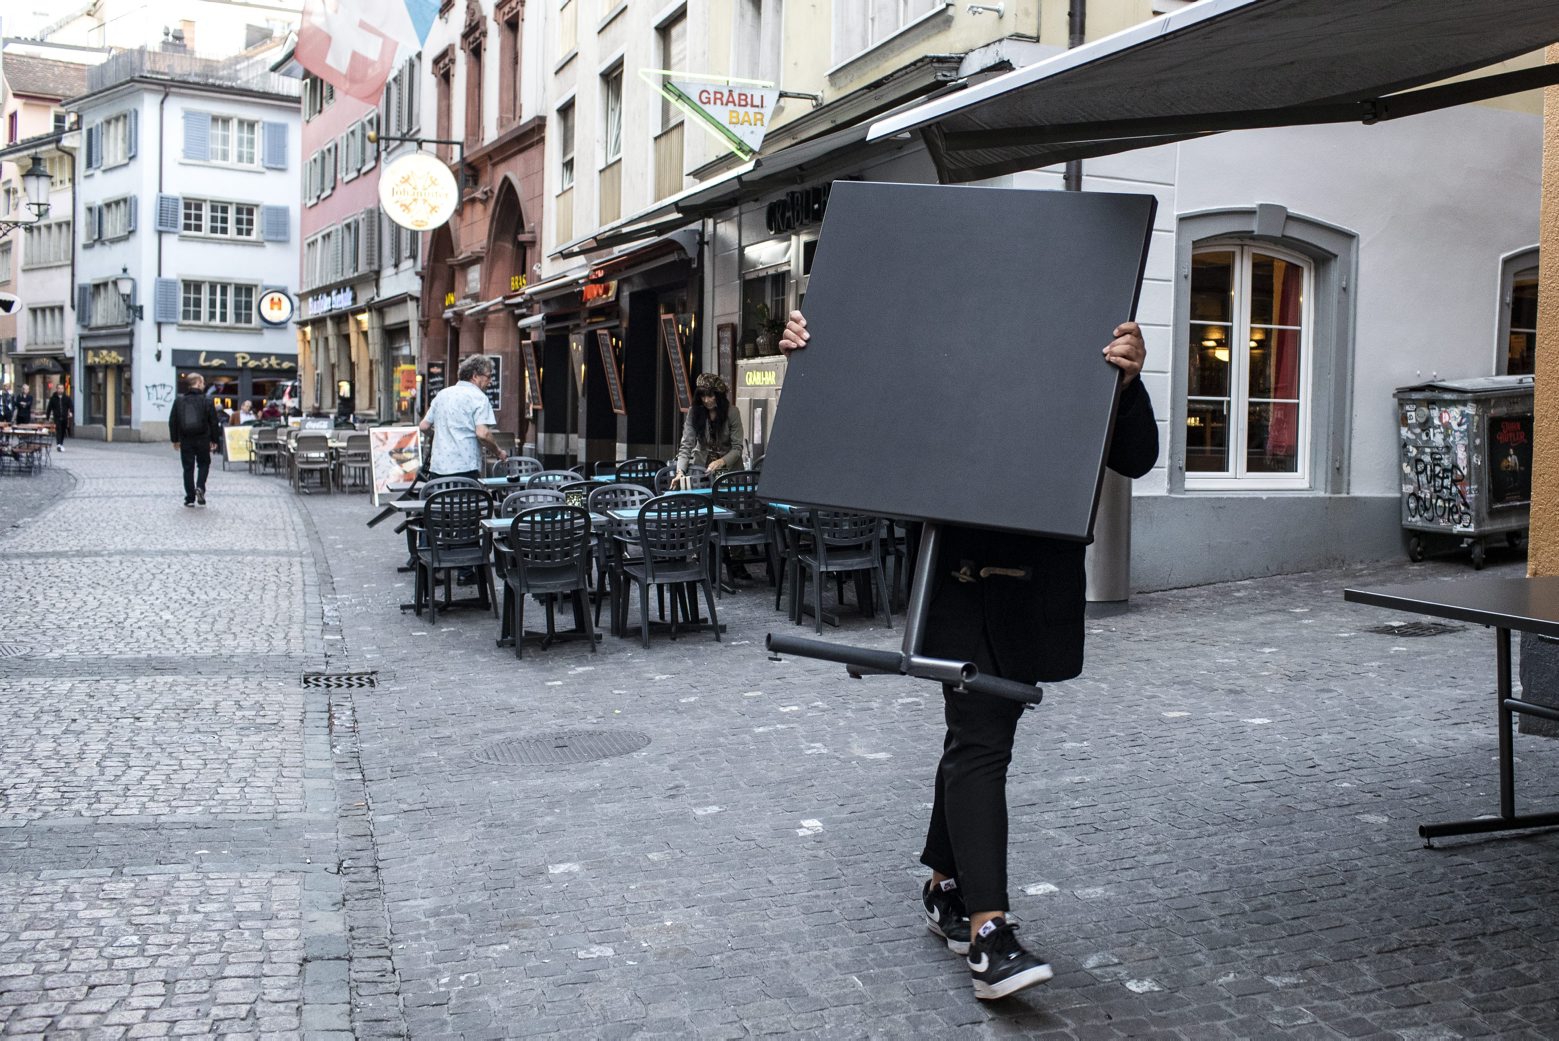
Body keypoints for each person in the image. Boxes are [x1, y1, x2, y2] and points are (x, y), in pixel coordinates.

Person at [780, 309, 1158, 1001]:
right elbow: (857, 426)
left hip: (1032, 579)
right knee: (981, 739)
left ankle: (944, 885)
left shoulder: (1080, 334)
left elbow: (1134, 457)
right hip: (953, 574)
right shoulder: (936, 331)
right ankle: (989, 933)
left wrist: (1129, 383)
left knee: (980, 736)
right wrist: (815, 357)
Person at [418, 354, 508, 583]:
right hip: (464, 468)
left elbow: (424, 425)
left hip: (438, 469)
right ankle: (466, 572)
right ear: (476, 376)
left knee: (437, 514)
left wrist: (440, 437)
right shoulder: (477, 398)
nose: (489, 382)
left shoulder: (443, 394)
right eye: (488, 377)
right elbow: (482, 433)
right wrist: (498, 451)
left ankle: (430, 565)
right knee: (467, 516)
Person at [673, 373, 744, 486]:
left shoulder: (732, 412)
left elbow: (737, 448)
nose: (706, 400)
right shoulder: (694, 412)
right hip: (701, 469)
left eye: (710, 396)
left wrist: (721, 462)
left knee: (725, 500)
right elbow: (686, 444)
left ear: (719, 396)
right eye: (703, 396)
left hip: (728, 470)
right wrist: (680, 471)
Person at [169, 373, 222, 507]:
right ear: (198, 383)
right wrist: (214, 440)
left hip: (186, 439)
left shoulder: (179, 401)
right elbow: (213, 422)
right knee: (203, 464)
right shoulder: (207, 400)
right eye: (203, 382)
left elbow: (173, 421)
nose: (204, 385)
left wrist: (175, 439)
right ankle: (200, 487)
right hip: (203, 438)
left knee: (188, 468)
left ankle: (190, 497)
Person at [45, 383, 72, 451]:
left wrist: (71, 412)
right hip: (57, 417)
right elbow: (49, 408)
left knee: (63, 431)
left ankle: (61, 443)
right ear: (57, 389)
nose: (60, 390)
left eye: (62, 388)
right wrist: (47, 417)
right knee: (58, 430)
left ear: (63, 389)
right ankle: (58, 444)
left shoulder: (67, 398)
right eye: (59, 388)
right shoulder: (53, 398)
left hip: (64, 417)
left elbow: (71, 406)